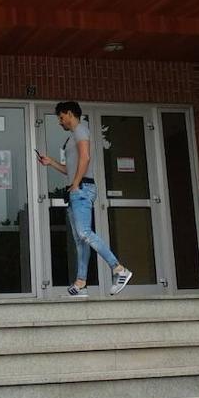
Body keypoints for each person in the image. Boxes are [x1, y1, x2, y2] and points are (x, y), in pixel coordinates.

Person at [38, 101, 132, 297]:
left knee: (84, 233)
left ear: (70, 114)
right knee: (80, 240)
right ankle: (81, 283)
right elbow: (70, 169)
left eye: (61, 117)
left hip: (82, 189)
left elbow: (86, 157)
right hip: (77, 189)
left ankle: (119, 269)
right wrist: (51, 163)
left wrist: (75, 183)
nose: (59, 122)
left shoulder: (81, 131)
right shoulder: (72, 138)